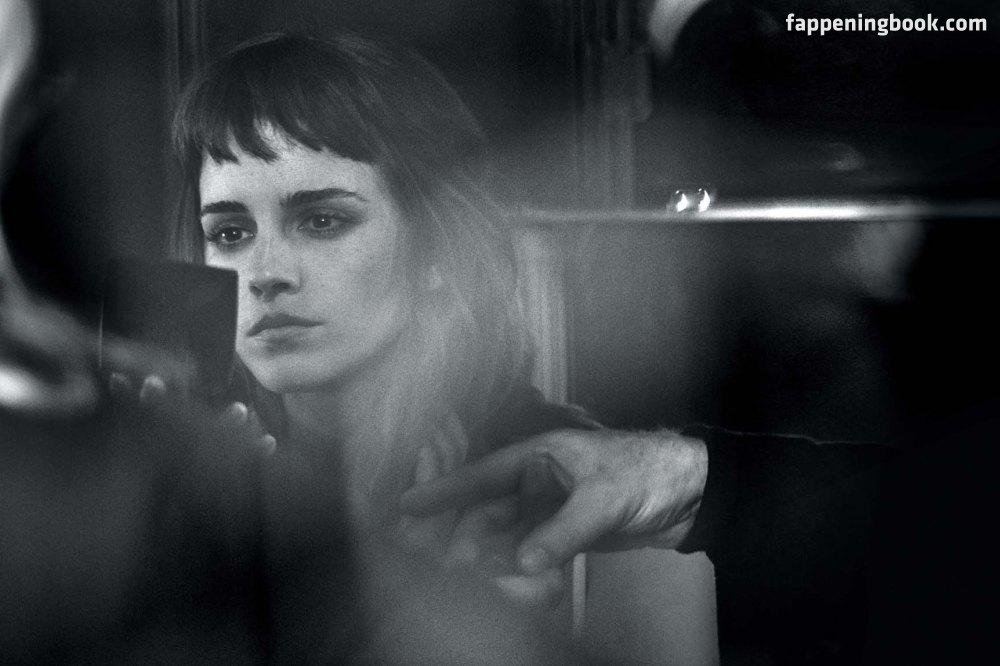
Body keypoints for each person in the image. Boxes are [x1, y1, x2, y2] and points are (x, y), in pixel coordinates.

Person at [167, 32, 598, 595]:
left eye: (322, 221)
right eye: (230, 233)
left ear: (438, 247)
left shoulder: (577, 478)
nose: (264, 272)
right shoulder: (183, 479)